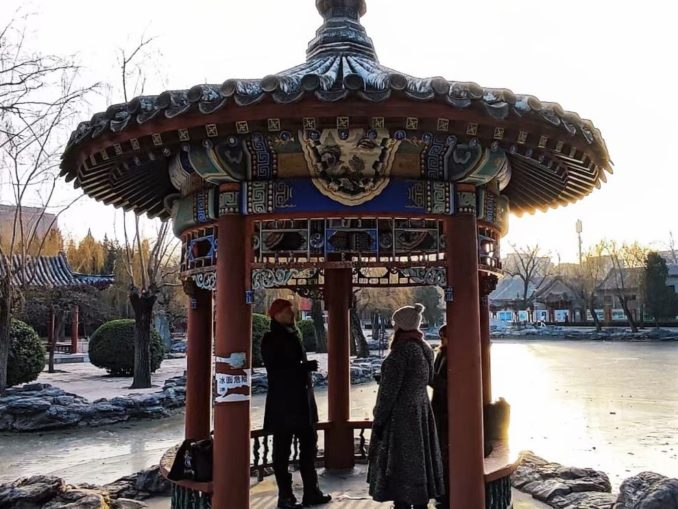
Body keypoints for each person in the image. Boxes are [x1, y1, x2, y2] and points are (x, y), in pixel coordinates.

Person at [367, 304, 445, 509]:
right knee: (420, 459)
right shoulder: (425, 349)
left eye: (395, 323)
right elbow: (427, 378)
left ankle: (402, 501)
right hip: (421, 411)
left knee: (401, 463)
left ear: (401, 326)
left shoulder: (399, 353)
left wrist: (379, 419)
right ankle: (420, 498)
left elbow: (388, 394)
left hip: (401, 416)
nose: (393, 327)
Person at [262, 299, 332, 509]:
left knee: (309, 448)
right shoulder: (270, 339)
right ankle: (286, 496)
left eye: (291, 311)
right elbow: (275, 371)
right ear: (275, 314)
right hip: (283, 403)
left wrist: (304, 368)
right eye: (286, 312)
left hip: (302, 402)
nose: (291, 315)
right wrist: (303, 368)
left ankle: (312, 491)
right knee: (282, 452)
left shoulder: (293, 334)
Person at [430, 325, 449, 509]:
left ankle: (447, 492)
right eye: (441, 336)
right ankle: (441, 490)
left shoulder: (455, 355)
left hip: (449, 409)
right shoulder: (441, 354)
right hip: (438, 406)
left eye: (444, 336)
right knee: (439, 450)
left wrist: (430, 376)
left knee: (445, 451)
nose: (442, 339)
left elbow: (450, 384)